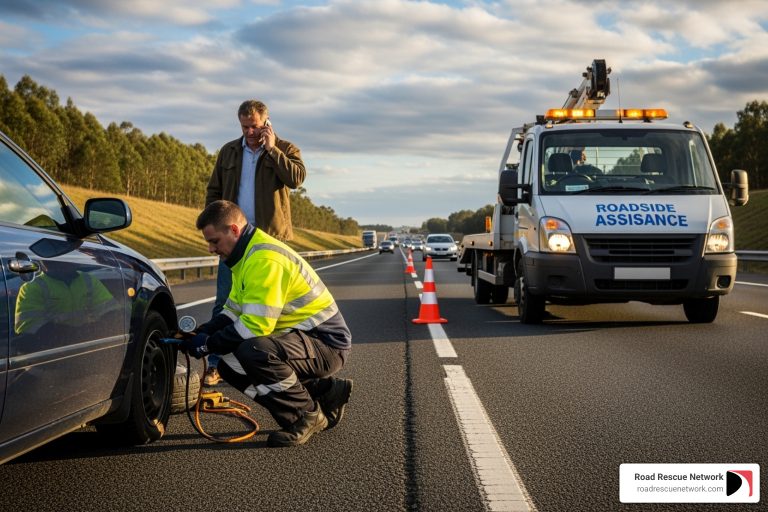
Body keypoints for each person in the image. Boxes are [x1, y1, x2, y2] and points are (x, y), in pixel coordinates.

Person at [181, 200, 352, 447]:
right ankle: (322, 391)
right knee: (229, 364)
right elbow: (232, 312)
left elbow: (255, 326)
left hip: (326, 345)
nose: (210, 249)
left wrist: (207, 345)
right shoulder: (245, 257)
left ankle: (305, 415)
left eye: (214, 241)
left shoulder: (265, 259)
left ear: (234, 230)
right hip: (302, 341)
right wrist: (201, 332)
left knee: (254, 351)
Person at [203, 100, 307, 386]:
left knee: (274, 308)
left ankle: (269, 361)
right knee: (226, 302)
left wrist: (272, 149)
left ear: (267, 123)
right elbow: (214, 190)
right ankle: (214, 365)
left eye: (255, 126)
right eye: (244, 126)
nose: (249, 132)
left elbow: (296, 179)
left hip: (271, 241)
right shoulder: (229, 151)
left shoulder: (285, 149)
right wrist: (214, 224)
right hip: (232, 240)